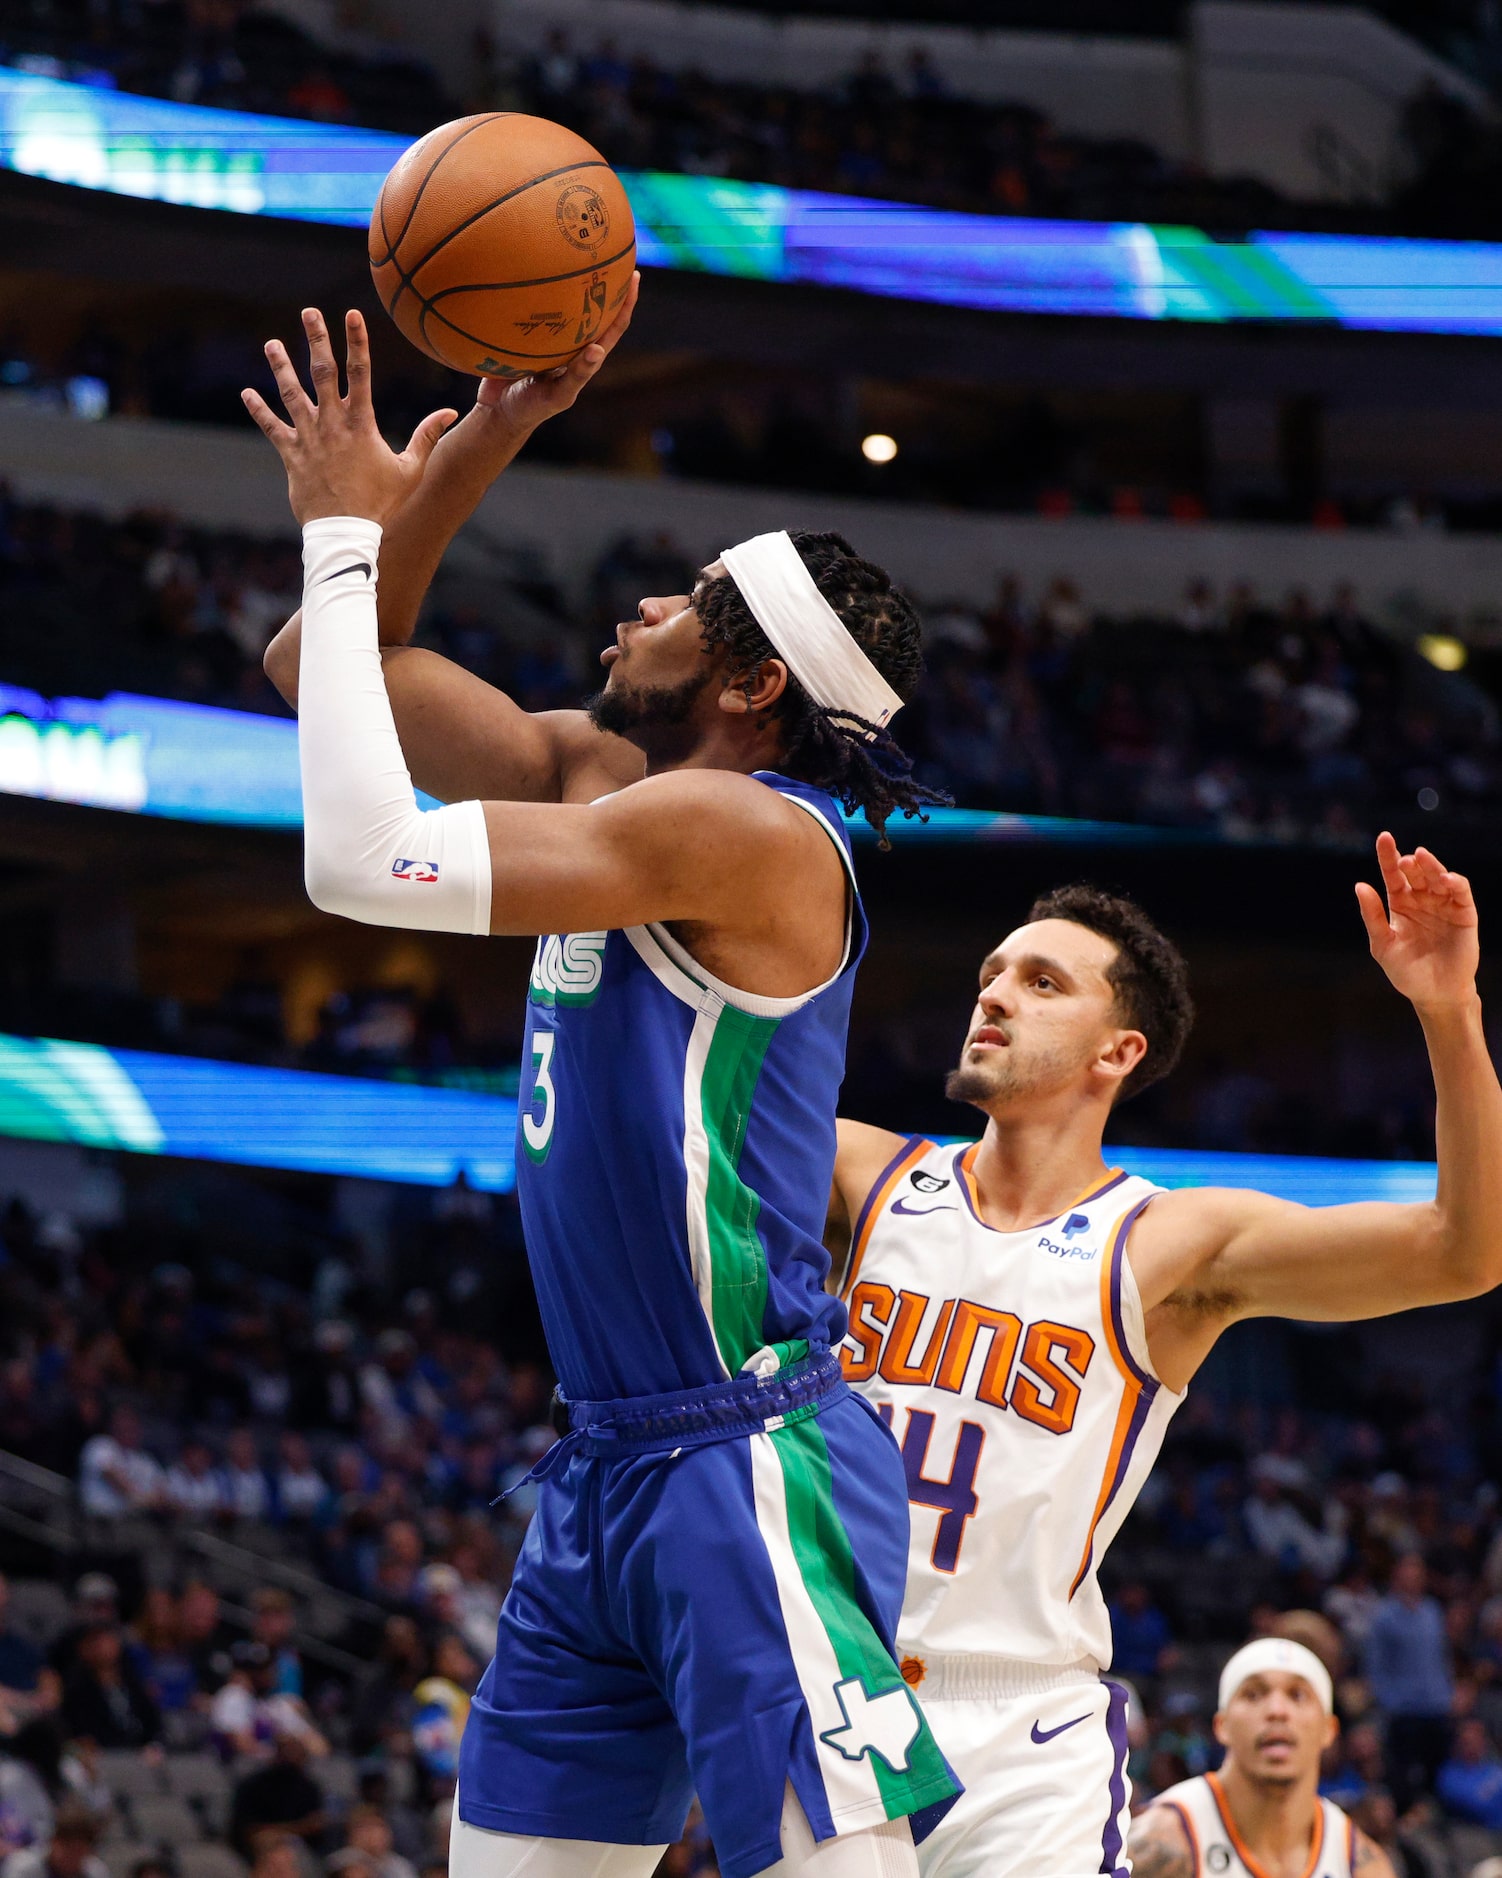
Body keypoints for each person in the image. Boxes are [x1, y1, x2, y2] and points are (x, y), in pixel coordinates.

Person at [250, 287, 956, 1878]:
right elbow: (325, 667)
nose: (643, 598)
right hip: (604, 1464)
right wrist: (484, 441)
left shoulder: (748, 834)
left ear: (753, 682)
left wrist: (347, 529)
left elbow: (362, 859)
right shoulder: (601, 776)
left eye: (694, 596)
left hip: (742, 1458)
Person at [828, 838, 1502, 1878]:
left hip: (1022, 1731)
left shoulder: (1165, 1242)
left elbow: (1465, 1250)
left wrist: (1445, 1007)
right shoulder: (861, 1174)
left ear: (1117, 1052)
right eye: (990, 975)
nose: (994, 995)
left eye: (1041, 982)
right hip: (826, 1683)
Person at [1128, 1639, 1394, 1877]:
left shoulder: (1359, 1863)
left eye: (1297, 1695)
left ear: (1329, 1730)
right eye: (1253, 1694)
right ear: (1221, 1726)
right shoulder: (1161, 1842)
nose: (1277, 1711)